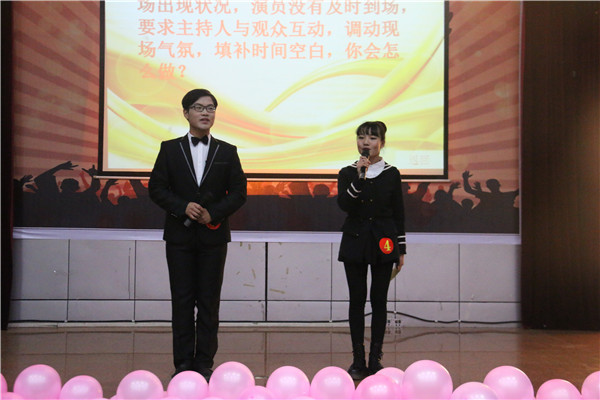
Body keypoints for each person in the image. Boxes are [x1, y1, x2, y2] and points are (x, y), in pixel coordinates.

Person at [148, 89, 247, 381]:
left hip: (213, 238)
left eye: (211, 108)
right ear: (186, 113)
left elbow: (239, 192)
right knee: (181, 301)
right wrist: (183, 207)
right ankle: (182, 363)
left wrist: (212, 213)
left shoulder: (227, 151)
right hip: (179, 237)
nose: (205, 113)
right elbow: (156, 188)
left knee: (208, 302)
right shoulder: (169, 149)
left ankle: (204, 362)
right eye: (199, 107)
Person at [337, 121, 406, 380]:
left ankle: (375, 358)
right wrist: (359, 177)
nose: (366, 142)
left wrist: (401, 249)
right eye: (361, 137)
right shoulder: (347, 172)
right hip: (355, 240)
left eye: (372, 138)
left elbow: (398, 212)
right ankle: (358, 358)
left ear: (382, 143)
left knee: (379, 299)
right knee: (356, 299)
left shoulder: (392, 173)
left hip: (384, 241)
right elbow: (344, 204)